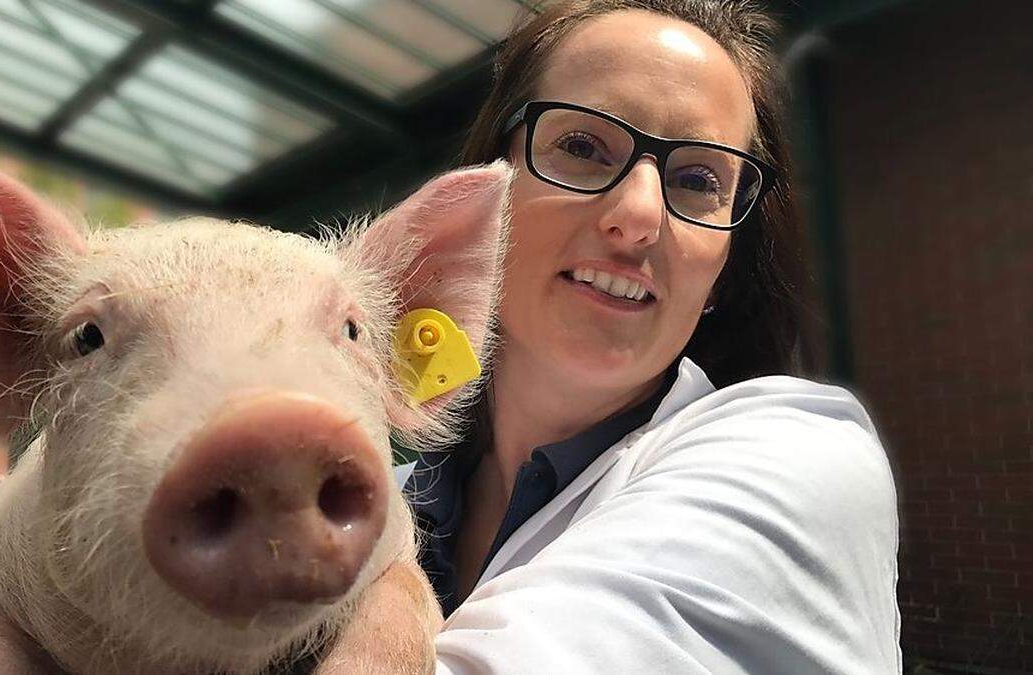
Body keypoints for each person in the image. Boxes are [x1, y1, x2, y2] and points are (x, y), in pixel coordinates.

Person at [320, 1, 901, 673]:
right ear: (485, 199)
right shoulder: (383, 488)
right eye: (582, 146)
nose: (639, 215)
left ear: (721, 270)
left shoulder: (804, 461)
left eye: (696, 179)